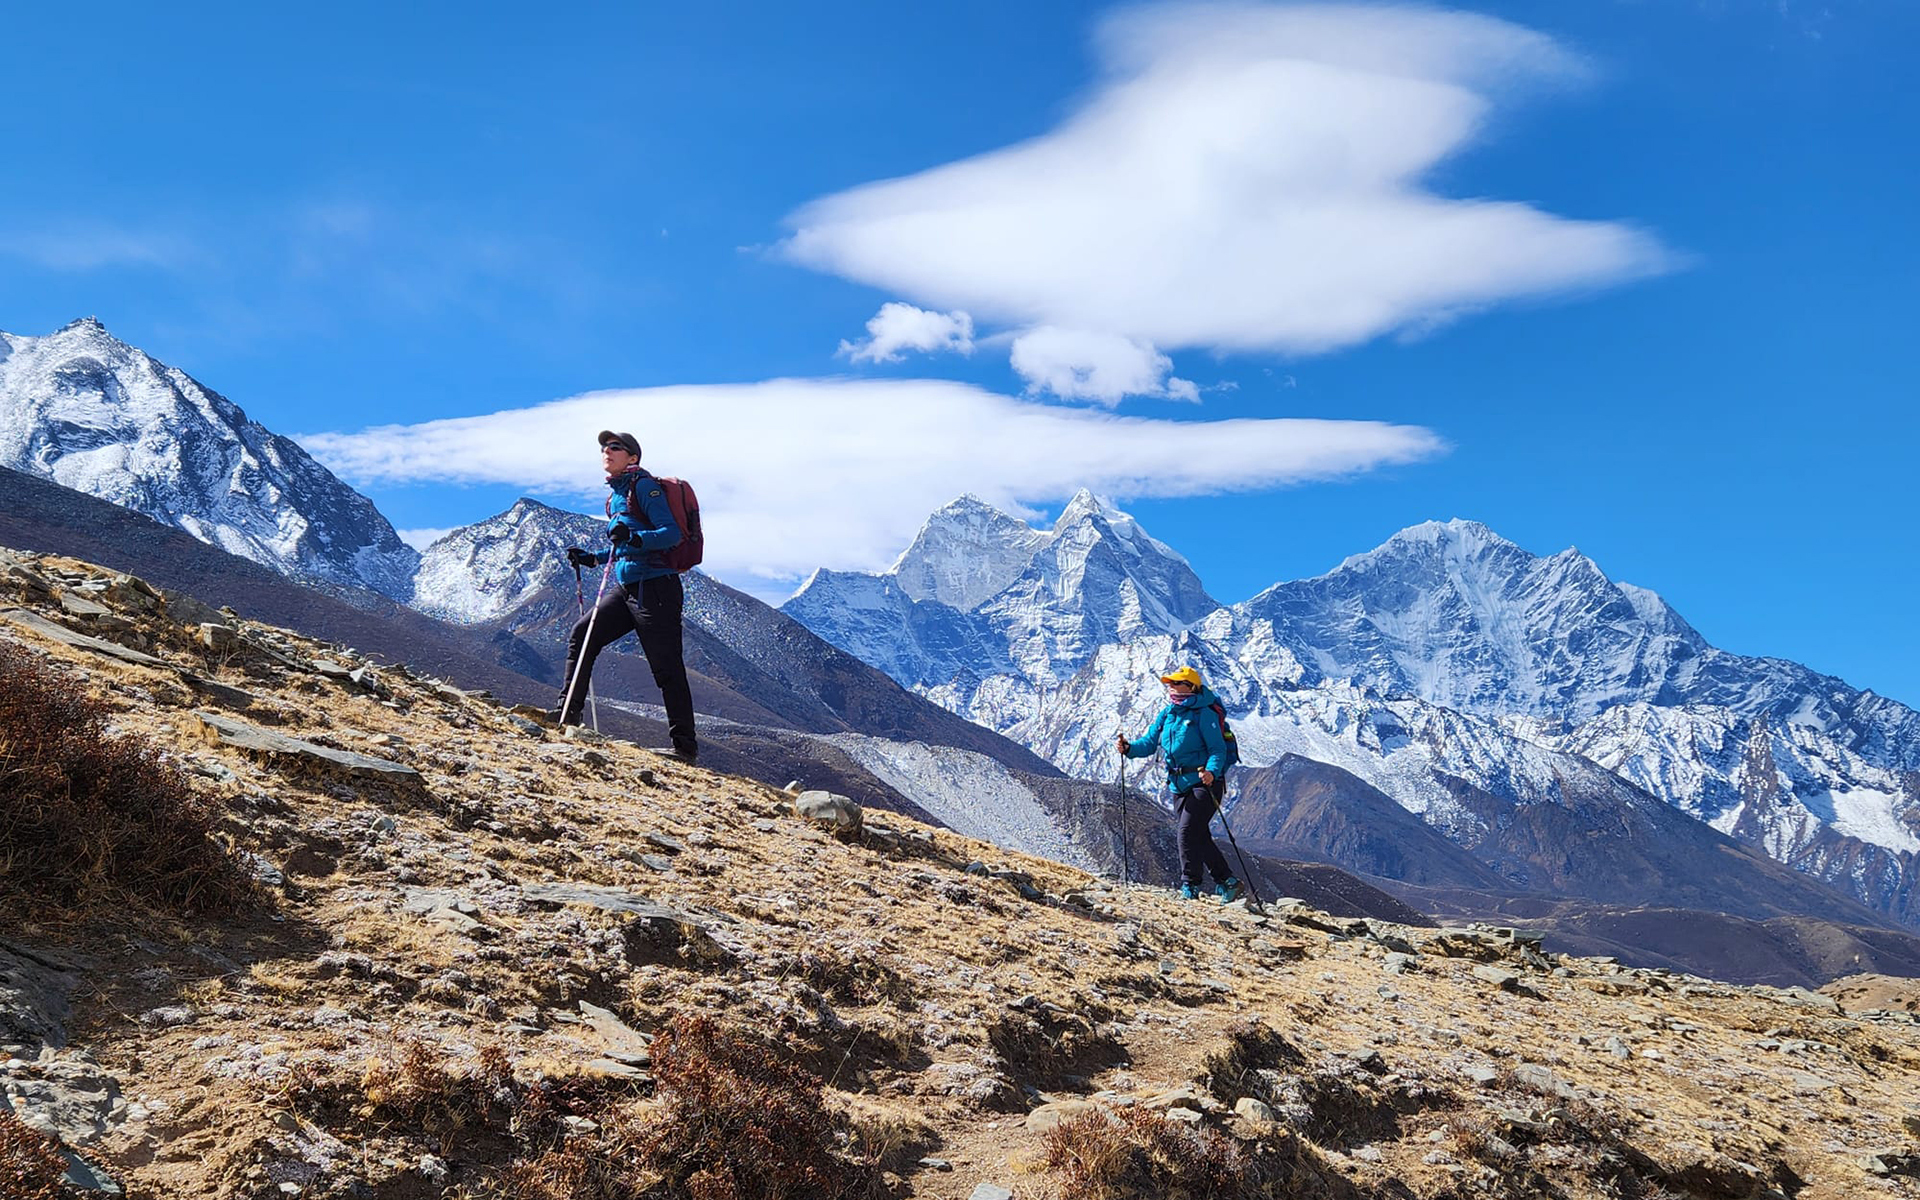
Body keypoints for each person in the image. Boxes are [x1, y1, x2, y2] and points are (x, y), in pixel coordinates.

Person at [556, 430, 698, 763]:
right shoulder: (616, 496)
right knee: (583, 633)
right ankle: (566, 716)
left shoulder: (644, 488)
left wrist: (633, 538)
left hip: (657, 588)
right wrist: (595, 558)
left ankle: (684, 747)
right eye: (604, 447)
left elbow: (669, 534)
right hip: (629, 586)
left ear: (632, 457)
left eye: (615, 447)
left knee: (666, 668)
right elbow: (624, 544)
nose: (607, 451)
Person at [1117, 666, 1242, 902]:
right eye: (1170, 683)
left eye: (1176, 683)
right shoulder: (1168, 713)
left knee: (1186, 831)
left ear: (1191, 687)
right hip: (1178, 784)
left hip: (1204, 783)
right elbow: (1150, 742)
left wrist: (1212, 772)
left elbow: (1217, 749)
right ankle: (1228, 881)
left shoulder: (1204, 714)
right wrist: (1130, 749)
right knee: (1198, 834)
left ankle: (1190, 885)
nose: (1171, 687)